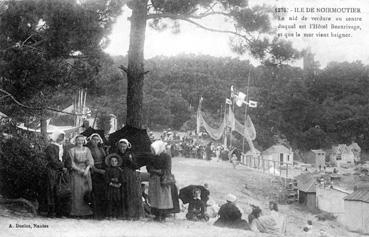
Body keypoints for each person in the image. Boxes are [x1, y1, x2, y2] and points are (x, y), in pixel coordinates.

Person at [115, 138, 143, 219]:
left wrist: (131, 160)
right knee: (120, 194)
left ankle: (131, 214)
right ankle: (122, 214)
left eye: (124, 146)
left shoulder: (131, 154)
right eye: (121, 146)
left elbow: (136, 166)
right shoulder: (116, 154)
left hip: (129, 176)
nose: (122, 148)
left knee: (130, 194)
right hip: (119, 174)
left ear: (127, 146)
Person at [45, 130, 70, 217]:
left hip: (62, 172)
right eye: (59, 136)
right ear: (55, 137)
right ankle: (51, 212)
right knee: (52, 190)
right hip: (52, 171)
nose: (61, 138)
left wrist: (67, 167)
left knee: (62, 191)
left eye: (62, 136)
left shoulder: (64, 148)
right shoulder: (50, 147)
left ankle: (60, 212)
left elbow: (68, 159)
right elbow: (52, 160)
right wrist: (61, 167)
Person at [147, 140, 174, 221]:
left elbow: (168, 169)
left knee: (163, 198)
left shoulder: (166, 156)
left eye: (153, 149)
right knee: (154, 197)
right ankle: (156, 214)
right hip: (154, 179)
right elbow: (148, 167)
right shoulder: (152, 156)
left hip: (162, 180)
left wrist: (157, 171)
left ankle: (163, 215)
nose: (152, 151)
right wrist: (152, 170)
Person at [69, 135, 94, 217]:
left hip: (86, 172)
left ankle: (86, 212)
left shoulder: (87, 149)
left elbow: (90, 161)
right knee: (77, 192)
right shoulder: (72, 150)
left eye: (82, 140)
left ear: (84, 141)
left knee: (86, 190)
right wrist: (79, 170)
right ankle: (76, 212)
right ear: (75, 141)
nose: (80, 142)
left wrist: (87, 169)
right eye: (78, 140)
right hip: (76, 172)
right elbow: (71, 163)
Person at [86, 133, 107, 219]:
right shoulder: (88, 149)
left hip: (103, 171)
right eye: (94, 139)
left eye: (97, 139)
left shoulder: (101, 149)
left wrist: (105, 170)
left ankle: (102, 212)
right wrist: (97, 170)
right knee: (95, 192)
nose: (95, 141)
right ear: (91, 140)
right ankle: (95, 212)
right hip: (94, 171)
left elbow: (105, 159)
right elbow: (89, 162)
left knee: (102, 192)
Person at [105, 154, 123, 219]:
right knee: (110, 201)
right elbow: (106, 179)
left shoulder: (119, 170)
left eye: (115, 161)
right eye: (112, 161)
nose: (114, 162)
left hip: (117, 188)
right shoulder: (108, 170)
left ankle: (116, 215)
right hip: (110, 188)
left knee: (117, 200)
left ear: (117, 162)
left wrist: (119, 184)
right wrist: (112, 184)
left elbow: (122, 179)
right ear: (110, 162)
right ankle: (110, 215)